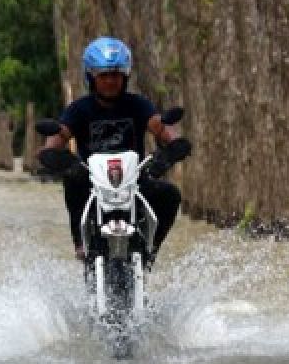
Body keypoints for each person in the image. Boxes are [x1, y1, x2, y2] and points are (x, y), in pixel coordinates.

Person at [40, 36, 183, 264]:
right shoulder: (79, 109)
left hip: (133, 180)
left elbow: (160, 127)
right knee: (72, 181)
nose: (110, 81)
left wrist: (173, 147)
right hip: (92, 182)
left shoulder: (138, 104)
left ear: (124, 76)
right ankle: (80, 244)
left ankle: (150, 249)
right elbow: (59, 135)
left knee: (170, 195)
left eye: (115, 75)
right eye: (103, 75)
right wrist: (52, 154)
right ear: (91, 77)